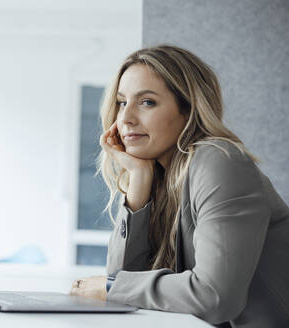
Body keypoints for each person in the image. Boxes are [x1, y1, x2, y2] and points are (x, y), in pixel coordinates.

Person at [69, 45, 289, 328]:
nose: (125, 119)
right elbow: (126, 284)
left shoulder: (220, 162)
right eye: (122, 102)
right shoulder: (160, 174)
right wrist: (138, 179)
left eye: (147, 102)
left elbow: (214, 298)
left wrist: (111, 287)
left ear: (189, 110)